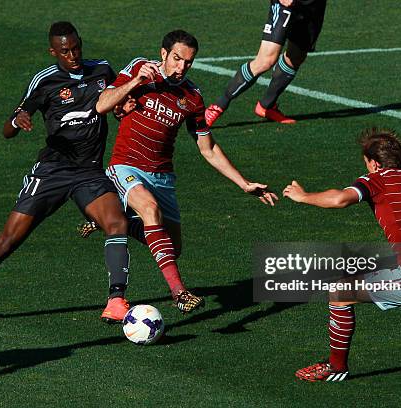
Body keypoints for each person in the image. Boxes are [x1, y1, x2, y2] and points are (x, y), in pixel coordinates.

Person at [0, 22, 133, 325]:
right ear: (53, 52)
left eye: (76, 48)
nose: (73, 55)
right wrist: (18, 119)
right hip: (52, 172)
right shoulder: (45, 81)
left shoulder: (102, 70)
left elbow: (116, 102)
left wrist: (125, 105)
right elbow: (8, 128)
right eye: (65, 51)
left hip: (88, 171)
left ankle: (116, 300)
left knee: (117, 222)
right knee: (8, 241)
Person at [80, 30, 278, 315]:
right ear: (163, 54)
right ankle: (179, 292)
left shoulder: (192, 97)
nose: (181, 67)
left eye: (188, 62)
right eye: (176, 59)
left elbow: (207, 148)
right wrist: (136, 82)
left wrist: (243, 183)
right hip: (125, 165)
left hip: (162, 176)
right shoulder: (139, 68)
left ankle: (114, 217)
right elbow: (101, 104)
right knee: (149, 210)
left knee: (172, 248)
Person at [283, 128, 401, 382]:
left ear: (373, 162)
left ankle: (336, 368)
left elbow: (339, 199)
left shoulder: (377, 180)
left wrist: (303, 196)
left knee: (340, 293)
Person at [205, 0, 328, 126]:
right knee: (266, 60)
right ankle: (217, 106)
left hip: (314, 6)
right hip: (285, 5)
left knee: (296, 57)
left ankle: (267, 106)